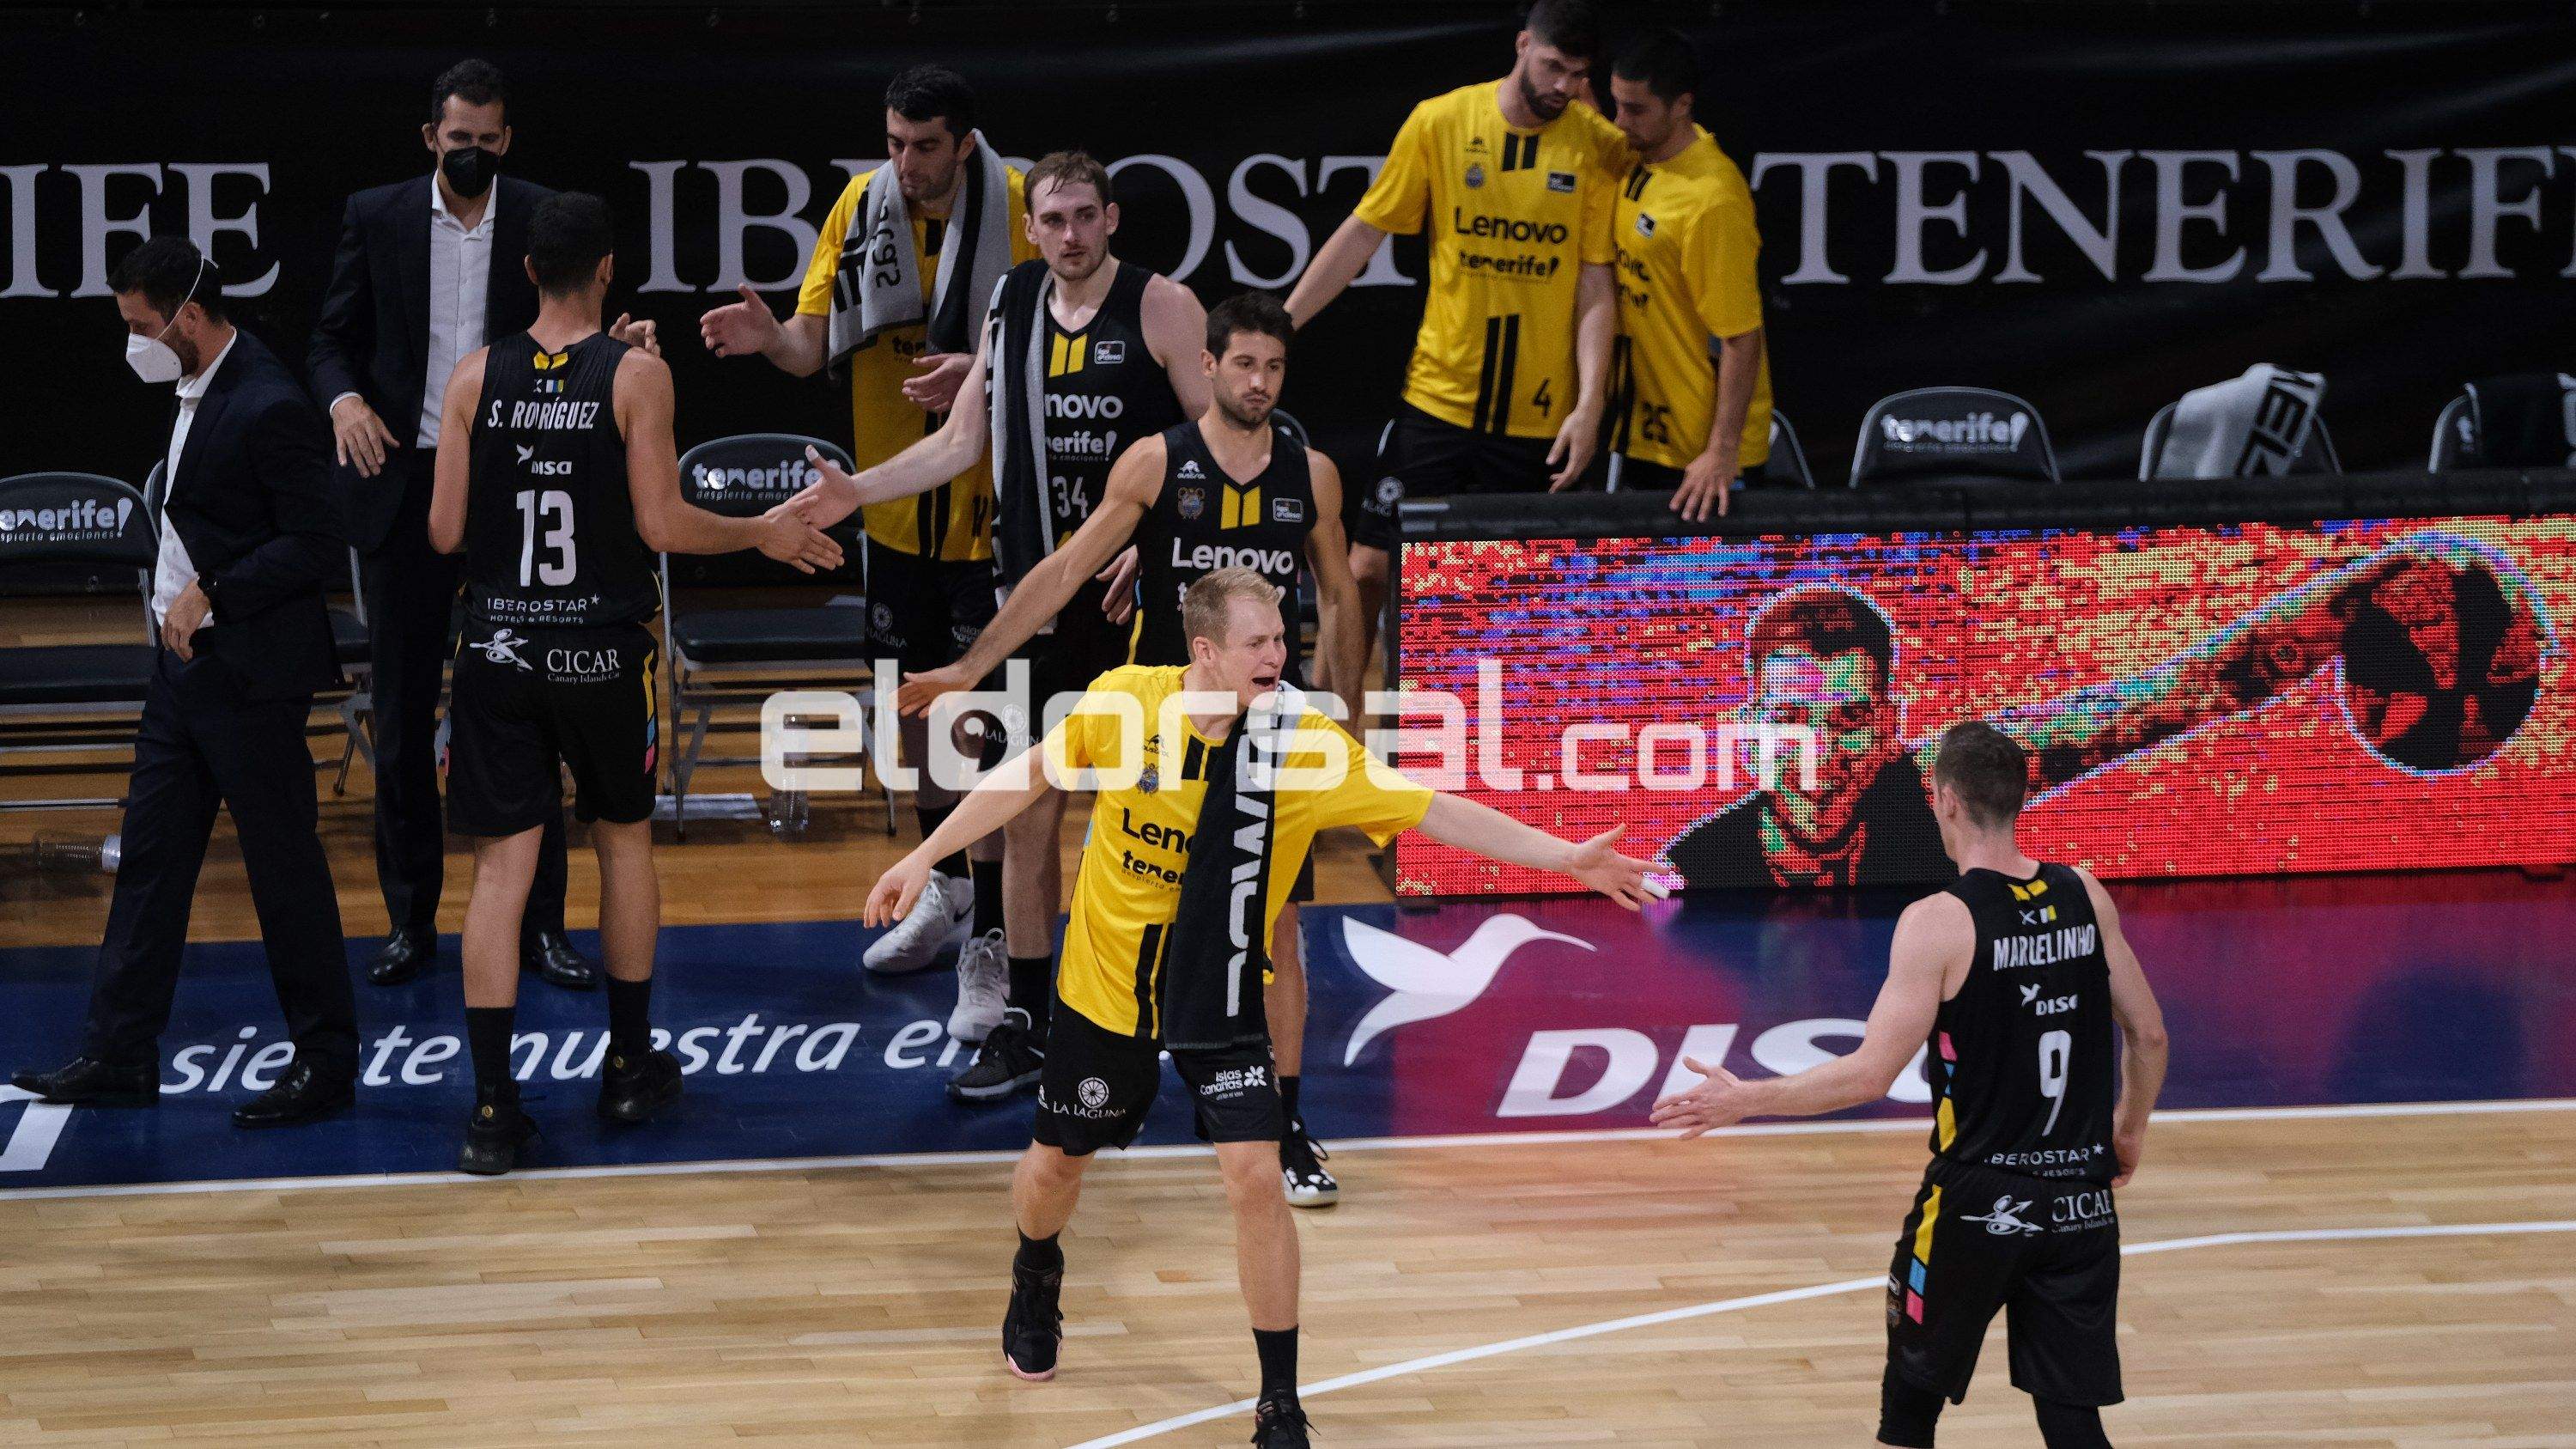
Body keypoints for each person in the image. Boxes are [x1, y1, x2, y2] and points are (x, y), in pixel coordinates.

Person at [861, 567, 1662, 1446]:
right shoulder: (1125, 706)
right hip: (1106, 986)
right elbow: (1024, 777)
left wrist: (1566, 858)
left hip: (1225, 992)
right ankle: (1036, 1267)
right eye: (1258, 643)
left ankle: (1278, 1398)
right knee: (1058, 1166)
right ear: (1205, 652)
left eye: (1282, 639)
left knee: (1253, 1177)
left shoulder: (1305, 744)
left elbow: (1437, 811)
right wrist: (923, 855)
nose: (1279, 655)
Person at [834, 292, 1365, 1208]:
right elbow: (1067, 568)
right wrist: (971, 661)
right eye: (1244, 364)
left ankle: (1281, 1120)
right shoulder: (1159, 462)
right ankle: (1090, 1072)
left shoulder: (1309, 471)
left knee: (1275, 928)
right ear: (1207, 364)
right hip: (1161, 717)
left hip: (1266, 728)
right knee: (1126, 903)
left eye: (1274, 368)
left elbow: (1340, 596)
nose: (1259, 382)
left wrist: (1345, 712)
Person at [765, 150, 1206, 1105]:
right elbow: (961, 443)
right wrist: (857, 489)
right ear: (1033, 224)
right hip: (1036, 603)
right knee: (1030, 814)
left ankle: (1184, 1012)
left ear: (1112, 219)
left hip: (1142, 608)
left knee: (1159, 818)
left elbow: (1214, 453)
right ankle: (1037, 1025)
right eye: (1054, 220)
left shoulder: (1164, 306)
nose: (1072, 235)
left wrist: (1160, 541)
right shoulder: (1009, 302)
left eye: (1086, 216)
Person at [428, 193, 841, 1175]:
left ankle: (492, 1110)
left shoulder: (474, 375)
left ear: (526, 271)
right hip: (602, 653)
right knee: (621, 844)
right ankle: (626, 1064)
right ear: (608, 269)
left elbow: (445, 533)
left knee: (499, 873)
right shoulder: (639, 375)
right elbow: (661, 524)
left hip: (496, 649)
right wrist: (759, 531)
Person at [1653, 721, 2171, 1448]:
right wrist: (2128, 1130)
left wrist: (1745, 1098)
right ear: (2018, 798)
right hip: (2081, 1201)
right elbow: (2148, 1035)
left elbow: (1869, 1071)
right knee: (2071, 1418)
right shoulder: (2085, 892)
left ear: (1946, 800)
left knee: (1908, 1415)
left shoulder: (1938, 922)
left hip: (1976, 1204)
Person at [310, 58, 652, 991]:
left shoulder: (541, 217)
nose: (471, 153)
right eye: (457, 140)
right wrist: (342, 399)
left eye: (487, 140)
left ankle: (543, 927)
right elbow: (329, 337)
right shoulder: (376, 214)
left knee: (534, 712)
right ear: (432, 138)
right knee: (403, 707)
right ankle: (410, 918)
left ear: (508, 138)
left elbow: (578, 328)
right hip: (402, 485)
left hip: (520, 479)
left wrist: (625, 348)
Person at [11, 237, 359, 1129]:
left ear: (189, 317)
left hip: (248, 675)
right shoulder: (200, 385)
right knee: (152, 865)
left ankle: (325, 1063)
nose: (132, 341)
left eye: (140, 325)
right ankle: (121, 1053)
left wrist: (216, 588)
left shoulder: (270, 401)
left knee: (284, 875)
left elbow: (318, 541)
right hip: (181, 673)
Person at [699, 64, 1036, 981]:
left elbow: (1055, 346)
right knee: (918, 718)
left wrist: (981, 365)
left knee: (992, 727)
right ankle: (948, 885)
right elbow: (812, 346)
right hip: (892, 515)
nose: (905, 163)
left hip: (992, 521)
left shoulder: (1023, 203)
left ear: (963, 144)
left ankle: (998, 933)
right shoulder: (860, 206)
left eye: (925, 147)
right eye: (893, 142)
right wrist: (771, 338)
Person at [1666, 536, 2512, 890]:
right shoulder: (1697, 864)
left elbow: (2180, 694)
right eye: (1790, 721)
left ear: (1892, 719)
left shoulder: (1944, 781)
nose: (1822, 750)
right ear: (1750, 718)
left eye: (1848, 720)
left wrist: (2380, 584)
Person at [1285, 0, 1626, 664]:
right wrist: (1284, 322)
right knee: (1364, 572)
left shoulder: (1597, 147)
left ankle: (1510, 751)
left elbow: (1594, 284)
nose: (1560, 85)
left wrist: (1590, 406)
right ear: (1523, 44)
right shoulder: (1442, 121)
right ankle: (1335, 746)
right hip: (1440, 400)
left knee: (1525, 597)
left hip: (1538, 418)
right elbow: (1364, 229)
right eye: (1552, 65)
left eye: (1575, 73)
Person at [1602, 29, 1771, 522]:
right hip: (1644, 434)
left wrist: (1722, 454)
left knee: (1707, 600)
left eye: (1636, 110)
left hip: (1699, 460)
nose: (1619, 122)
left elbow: (1741, 336)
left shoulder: (1712, 200)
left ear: (1681, 107)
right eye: (1617, 104)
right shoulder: (1638, 159)